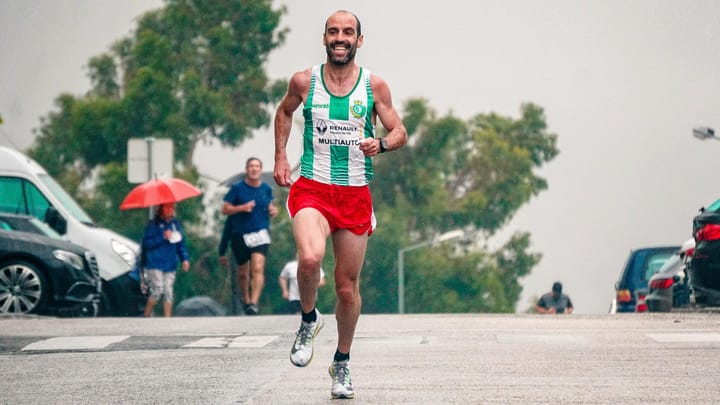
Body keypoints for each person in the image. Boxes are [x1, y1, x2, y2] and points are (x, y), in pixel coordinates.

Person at [273, 10, 407, 399]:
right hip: (312, 187)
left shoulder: (374, 87)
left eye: (348, 32)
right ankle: (307, 319)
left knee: (346, 288)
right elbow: (284, 111)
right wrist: (281, 156)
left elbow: (399, 131)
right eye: (333, 31)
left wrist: (380, 144)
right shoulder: (304, 81)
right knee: (310, 259)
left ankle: (342, 363)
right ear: (324, 38)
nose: (340, 38)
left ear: (359, 40)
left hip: (354, 193)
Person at [221, 157, 278, 315]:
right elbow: (225, 209)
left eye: (257, 166)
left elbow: (270, 206)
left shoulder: (266, 188)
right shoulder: (237, 188)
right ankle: (246, 300)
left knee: (258, 267)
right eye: (251, 166)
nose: (254, 169)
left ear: (260, 170)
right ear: (247, 169)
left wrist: (273, 211)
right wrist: (241, 208)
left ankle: (254, 302)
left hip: (260, 233)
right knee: (242, 272)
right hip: (240, 234)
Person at [141, 202, 190, 317]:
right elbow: (147, 244)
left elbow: (180, 244)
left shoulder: (175, 225)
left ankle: (167, 318)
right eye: (168, 207)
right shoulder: (153, 225)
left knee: (169, 291)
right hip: (155, 263)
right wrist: (163, 237)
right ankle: (146, 315)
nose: (171, 210)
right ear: (161, 209)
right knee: (157, 290)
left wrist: (185, 259)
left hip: (170, 263)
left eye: (172, 208)